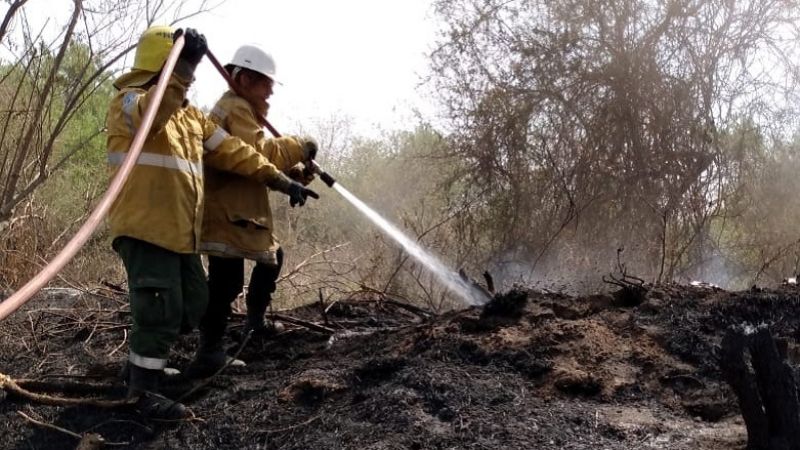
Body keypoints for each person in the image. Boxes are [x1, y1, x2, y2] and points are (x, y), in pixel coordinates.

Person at [106, 25, 318, 419]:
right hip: (143, 226)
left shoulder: (192, 120)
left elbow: (240, 153)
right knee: (160, 307)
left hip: (179, 233)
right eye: (183, 69)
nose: (189, 79)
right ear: (166, 66)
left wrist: (283, 180)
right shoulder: (129, 102)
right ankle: (141, 392)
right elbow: (153, 114)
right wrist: (182, 69)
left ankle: (142, 365)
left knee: (193, 303)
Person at [185, 44, 317, 378]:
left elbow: (256, 164)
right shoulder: (236, 108)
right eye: (265, 83)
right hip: (228, 214)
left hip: (240, 213)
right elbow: (258, 153)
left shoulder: (241, 108)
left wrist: (296, 177)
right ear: (243, 79)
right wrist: (297, 147)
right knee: (225, 284)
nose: (271, 90)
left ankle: (254, 325)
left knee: (274, 256)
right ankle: (210, 351)